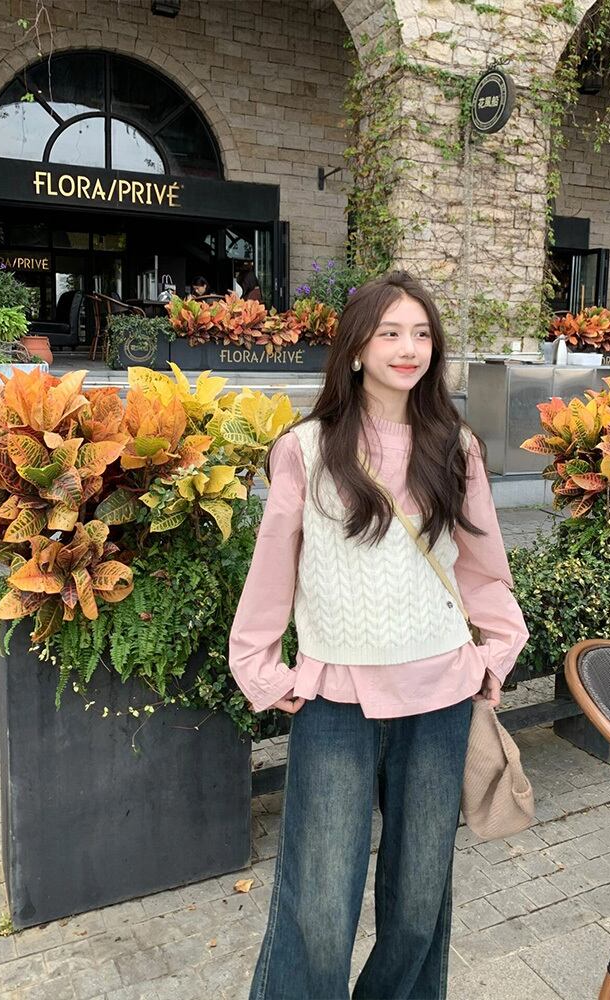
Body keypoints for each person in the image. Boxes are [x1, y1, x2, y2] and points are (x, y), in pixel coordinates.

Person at [229, 270, 528, 1000]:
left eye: (421, 333)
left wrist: (494, 654)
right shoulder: (305, 448)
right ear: (357, 347)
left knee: (419, 902)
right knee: (319, 903)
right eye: (390, 332)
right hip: (336, 701)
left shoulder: (455, 446)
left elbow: (484, 567)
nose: (408, 348)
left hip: (441, 699)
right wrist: (262, 669)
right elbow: (273, 569)